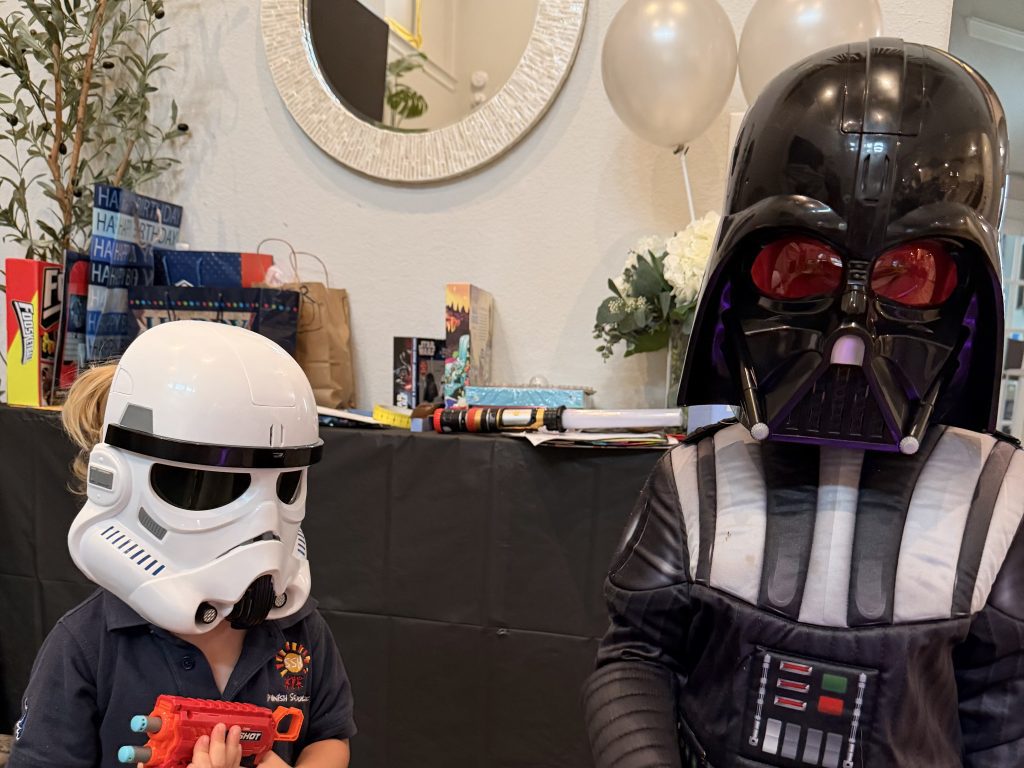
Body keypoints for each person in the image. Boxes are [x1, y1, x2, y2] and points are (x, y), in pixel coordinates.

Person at [584, 39, 1024, 767]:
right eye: (802, 270)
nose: (849, 338)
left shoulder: (1000, 504)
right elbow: (635, 655)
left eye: (908, 277)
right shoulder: (696, 481)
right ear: (741, 280)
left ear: (967, 292)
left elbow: (1004, 717)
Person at [9, 321, 355, 768]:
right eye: (213, 489)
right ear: (115, 481)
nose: (262, 525)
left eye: (284, 484)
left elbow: (329, 736)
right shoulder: (86, 645)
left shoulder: (298, 628)